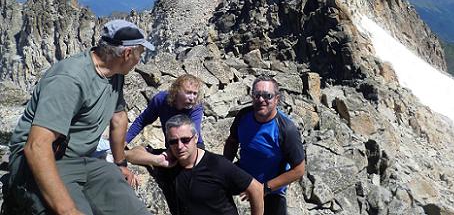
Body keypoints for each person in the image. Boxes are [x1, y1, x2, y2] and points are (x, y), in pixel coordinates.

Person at [5, 20, 155, 215]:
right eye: (139, 54)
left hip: (82, 160)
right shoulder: (69, 79)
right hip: (44, 162)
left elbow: (118, 118)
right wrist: (68, 211)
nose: (139, 60)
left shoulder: (115, 73)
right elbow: (36, 147)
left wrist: (120, 164)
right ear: (127, 54)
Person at [223, 76, 305, 215]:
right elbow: (232, 141)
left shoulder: (286, 129)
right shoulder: (244, 115)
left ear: (277, 99)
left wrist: (264, 188)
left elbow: (299, 170)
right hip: (243, 175)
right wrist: (224, 167)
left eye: (268, 96)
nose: (261, 100)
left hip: (271, 188)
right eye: (257, 95)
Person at [125, 74, 204, 214]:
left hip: (192, 148)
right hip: (172, 147)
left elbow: (192, 137)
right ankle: (157, 160)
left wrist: (171, 154)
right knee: (133, 153)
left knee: (185, 186)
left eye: (195, 93)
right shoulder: (161, 100)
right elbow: (142, 121)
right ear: (176, 91)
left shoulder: (196, 107)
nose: (192, 97)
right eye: (188, 92)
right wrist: (124, 141)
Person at [160, 114, 264, 215]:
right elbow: (143, 153)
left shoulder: (217, 164)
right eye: (173, 141)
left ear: (196, 138)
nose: (179, 146)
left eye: (185, 140)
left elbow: (257, 189)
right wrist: (156, 159)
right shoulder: (166, 163)